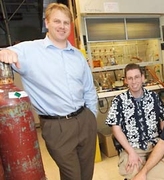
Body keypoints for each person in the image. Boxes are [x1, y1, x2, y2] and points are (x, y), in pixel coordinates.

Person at [0, 3, 98, 180]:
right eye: (57, 21)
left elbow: (89, 89)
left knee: (86, 174)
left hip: (85, 120)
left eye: (66, 22)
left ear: (71, 25)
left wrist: (91, 117)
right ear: (47, 23)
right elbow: (4, 53)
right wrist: (4, 52)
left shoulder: (78, 55)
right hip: (56, 126)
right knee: (73, 176)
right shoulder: (29, 50)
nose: (62, 26)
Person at [105, 63, 164, 180]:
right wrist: (131, 152)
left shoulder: (154, 97)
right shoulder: (119, 101)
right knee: (135, 173)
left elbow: (163, 120)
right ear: (125, 81)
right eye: (130, 78)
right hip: (132, 147)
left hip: (155, 145)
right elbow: (116, 129)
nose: (134, 81)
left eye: (137, 77)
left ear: (143, 78)